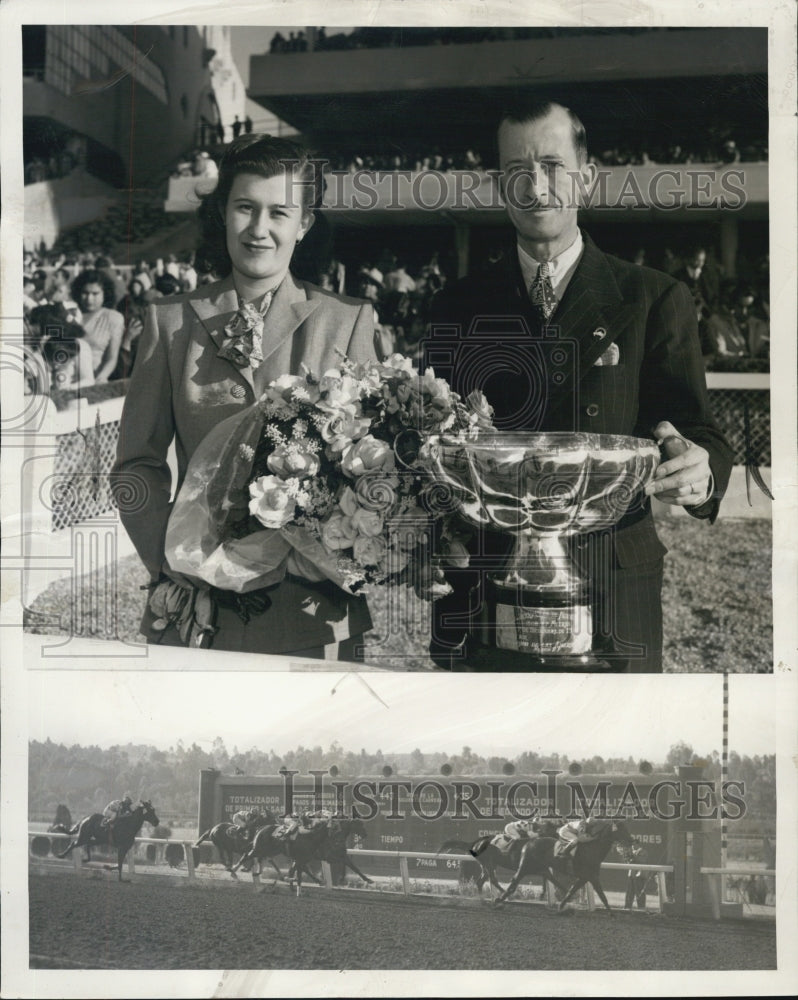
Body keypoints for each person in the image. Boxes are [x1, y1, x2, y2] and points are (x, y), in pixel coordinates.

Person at [423, 99, 734, 672]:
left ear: (585, 179)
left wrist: (699, 469)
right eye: (517, 171)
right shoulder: (456, 307)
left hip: (612, 584)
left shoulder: (655, 298)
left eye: (552, 165)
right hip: (483, 589)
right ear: (498, 186)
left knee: (612, 756)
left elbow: (697, 431)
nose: (536, 187)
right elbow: (432, 449)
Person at [112, 134, 378, 658]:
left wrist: (332, 550)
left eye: (279, 212)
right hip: (199, 608)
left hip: (312, 608)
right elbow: (134, 467)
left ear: (303, 225)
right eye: (244, 208)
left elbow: (374, 470)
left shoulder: (347, 322)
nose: (260, 229)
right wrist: (172, 557)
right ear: (223, 214)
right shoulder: (170, 323)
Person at [70, 268, 124, 382]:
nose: (89, 299)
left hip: (96, 378)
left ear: (105, 293)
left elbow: (112, 357)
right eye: (85, 293)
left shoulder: (113, 318)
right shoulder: (70, 313)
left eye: (95, 294)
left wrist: (101, 377)